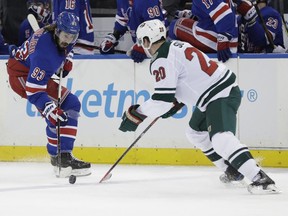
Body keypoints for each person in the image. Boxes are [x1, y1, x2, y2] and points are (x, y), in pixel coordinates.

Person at [119, 19, 280, 194]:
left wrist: (137, 114)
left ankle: (260, 178)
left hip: (219, 95)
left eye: (142, 41)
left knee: (220, 138)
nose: (143, 46)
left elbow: (161, 101)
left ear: (147, 40)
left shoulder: (161, 59)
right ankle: (232, 170)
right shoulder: (175, 45)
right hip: (214, 94)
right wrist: (175, 100)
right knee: (195, 132)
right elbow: (187, 77)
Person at [6, 11, 91, 178]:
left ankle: (61, 156)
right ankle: (59, 157)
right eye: (65, 35)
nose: (68, 40)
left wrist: (67, 60)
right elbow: (33, 91)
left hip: (33, 69)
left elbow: (68, 47)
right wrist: (48, 108)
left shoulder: (56, 34)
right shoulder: (45, 55)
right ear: (57, 31)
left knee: (71, 104)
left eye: (72, 37)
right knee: (54, 113)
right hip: (21, 76)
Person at [168, 0, 238, 63]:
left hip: (220, 43)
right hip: (229, 39)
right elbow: (210, 12)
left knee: (175, 25)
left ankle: (172, 62)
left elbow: (225, 14)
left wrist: (222, 42)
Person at [100, 0, 167, 63]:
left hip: (162, 52)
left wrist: (143, 47)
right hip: (145, 47)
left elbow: (158, 29)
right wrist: (113, 37)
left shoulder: (147, 1)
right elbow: (123, 20)